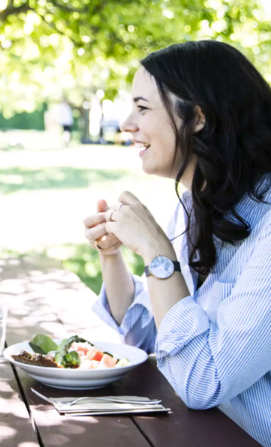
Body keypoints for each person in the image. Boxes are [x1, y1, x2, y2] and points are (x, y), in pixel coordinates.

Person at [83, 41, 271, 446]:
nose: (127, 124)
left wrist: (158, 254)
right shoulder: (195, 203)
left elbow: (203, 381)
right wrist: (113, 255)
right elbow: (150, 335)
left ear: (198, 117)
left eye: (143, 108)